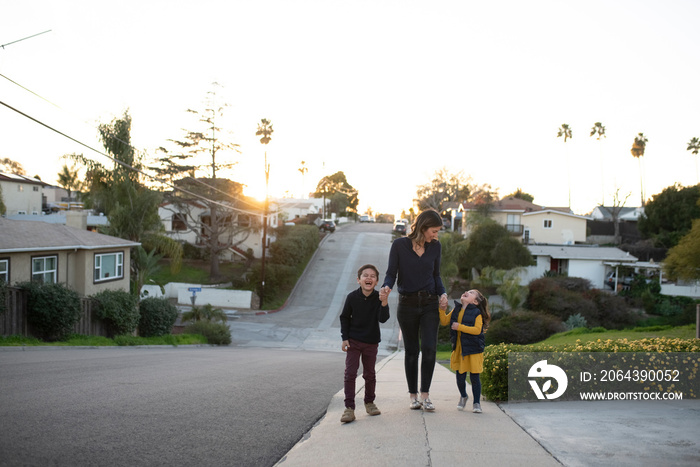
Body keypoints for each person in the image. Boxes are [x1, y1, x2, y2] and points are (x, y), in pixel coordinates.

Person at [381, 209, 448, 411]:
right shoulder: (399, 245)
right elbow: (391, 273)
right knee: (412, 351)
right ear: (423, 226)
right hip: (407, 304)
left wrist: (442, 293)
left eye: (437, 232)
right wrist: (386, 286)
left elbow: (436, 275)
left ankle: (425, 395)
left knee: (429, 349)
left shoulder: (435, 247)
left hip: (429, 303)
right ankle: (413, 396)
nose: (436, 235)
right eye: (434, 231)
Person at [339, 264, 390, 423]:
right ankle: (349, 408)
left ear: (376, 282)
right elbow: (345, 317)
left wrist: (384, 301)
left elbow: (383, 318)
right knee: (350, 373)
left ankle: (369, 402)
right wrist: (345, 337)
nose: (369, 278)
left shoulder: (378, 298)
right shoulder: (352, 297)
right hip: (353, 341)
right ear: (358, 280)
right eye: (365, 275)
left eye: (372, 276)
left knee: (369, 374)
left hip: (371, 342)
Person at [439, 289, 490, 413]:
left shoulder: (476, 313)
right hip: (460, 349)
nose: (467, 292)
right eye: (467, 291)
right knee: (460, 376)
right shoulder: (456, 309)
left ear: (476, 301)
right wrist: (441, 309)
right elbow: (445, 321)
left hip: (474, 349)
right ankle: (463, 396)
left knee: (474, 377)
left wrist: (459, 327)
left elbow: (477, 330)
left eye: (471, 292)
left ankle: (476, 403)